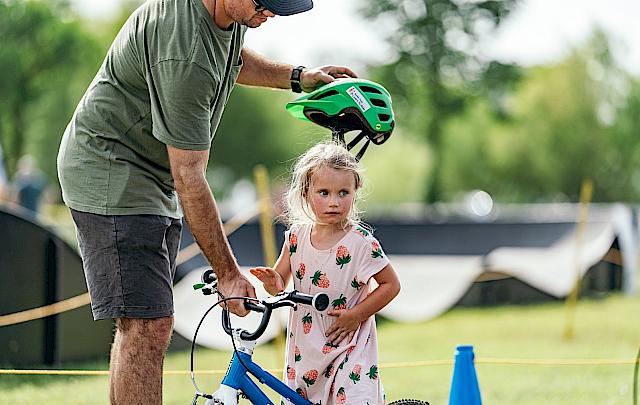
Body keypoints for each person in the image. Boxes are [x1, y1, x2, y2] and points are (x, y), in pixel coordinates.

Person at [56, 0, 357, 403]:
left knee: (141, 324)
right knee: (147, 324)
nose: (271, 13)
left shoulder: (222, 15)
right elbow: (189, 176)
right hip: (113, 171)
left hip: (148, 173)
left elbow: (231, 60)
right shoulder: (184, 57)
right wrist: (229, 274)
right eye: (265, 2)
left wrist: (299, 77)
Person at [250, 142, 401, 404]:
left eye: (343, 193)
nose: (334, 202)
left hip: (350, 348)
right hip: (307, 352)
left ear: (355, 192)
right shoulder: (295, 237)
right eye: (324, 193)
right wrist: (271, 281)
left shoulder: (361, 242)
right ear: (306, 193)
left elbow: (391, 285)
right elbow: (278, 285)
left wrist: (357, 314)